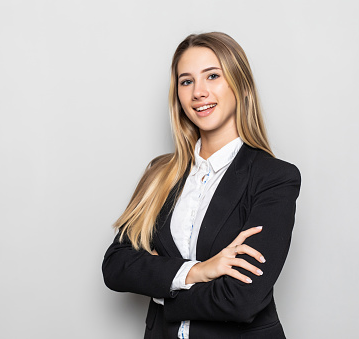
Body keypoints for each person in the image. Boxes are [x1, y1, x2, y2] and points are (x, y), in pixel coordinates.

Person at [102, 32, 301, 339]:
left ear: (240, 85)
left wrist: (163, 289)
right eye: (186, 81)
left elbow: (241, 300)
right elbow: (116, 266)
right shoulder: (159, 173)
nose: (199, 92)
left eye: (212, 76)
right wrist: (199, 271)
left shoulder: (274, 179)